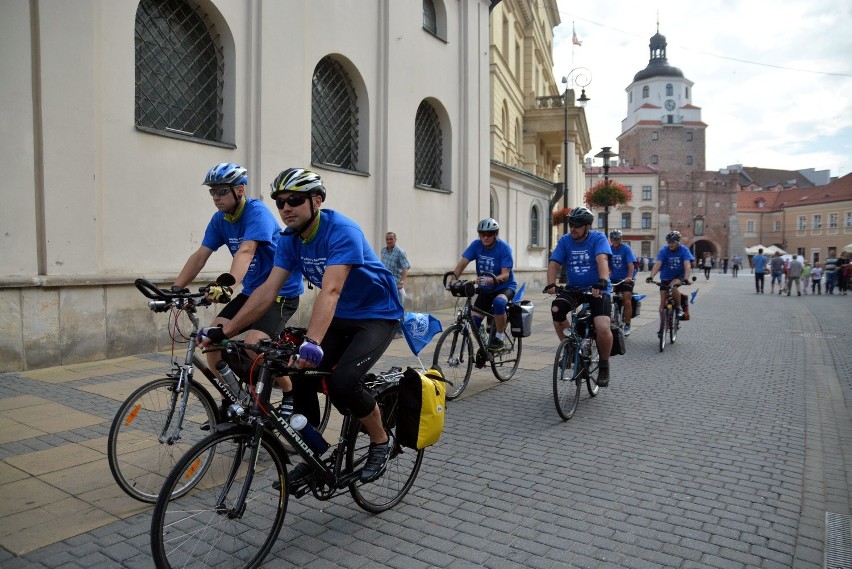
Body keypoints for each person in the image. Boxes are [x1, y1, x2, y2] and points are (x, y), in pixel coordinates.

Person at [199, 168, 403, 484]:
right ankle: (313, 452)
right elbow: (267, 291)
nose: (286, 208)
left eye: (294, 200)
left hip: (377, 315)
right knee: (302, 374)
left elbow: (331, 290)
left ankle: (380, 440)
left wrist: (314, 342)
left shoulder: (341, 231)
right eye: (280, 202)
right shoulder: (290, 240)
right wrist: (224, 330)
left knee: (343, 382)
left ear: (316, 200)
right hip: (341, 315)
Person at [174, 163, 303, 382]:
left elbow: (247, 250)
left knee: (255, 346)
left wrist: (228, 287)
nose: (216, 196)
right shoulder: (220, 219)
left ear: (240, 190)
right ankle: (230, 399)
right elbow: (200, 255)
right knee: (210, 338)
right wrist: (176, 289)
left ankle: (290, 395)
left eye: (222, 190)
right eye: (212, 191)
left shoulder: (257, 212)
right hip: (252, 291)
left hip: (280, 293)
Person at [543, 207, 614, 387]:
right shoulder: (566, 240)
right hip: (574, 289)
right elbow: (553, 263)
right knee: (556, 310)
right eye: (571, 225)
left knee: (603, 326)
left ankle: (604, 365)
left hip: (597, 289)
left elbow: (602, 259)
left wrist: (602, 281)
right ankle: (570, 349)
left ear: (587, 226)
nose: (572, 228)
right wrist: (551, 283)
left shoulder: (598, 238)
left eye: (577, 225)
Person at [449, 218, 517, 352]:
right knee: (473, 322)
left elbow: (505, 275)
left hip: (505, 287)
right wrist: (453, 280)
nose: (485, 237)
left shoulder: (504, 248)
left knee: (498, 303)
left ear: (495, 234)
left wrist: (492, 280)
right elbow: (462, 263)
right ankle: (485, 348)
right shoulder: (476, 245)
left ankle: (499, 338)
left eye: (489, 234)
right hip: (486, 289)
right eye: (482, 234)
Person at [646, 231, 694, 323]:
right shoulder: (663, 251)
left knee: (673, 286)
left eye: (673, 242)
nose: (670, 244)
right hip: (665, 277)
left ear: (678, 242)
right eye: (669, 242)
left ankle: (678, 307)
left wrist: (686, 279)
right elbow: (658, 264)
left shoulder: (684, 250)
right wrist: (651, 276)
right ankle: (662, 325)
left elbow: (687, 265)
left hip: (678, 276)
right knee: (662, 303)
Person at [607, 229, 638, 337]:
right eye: (613, 239)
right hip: (613, 278)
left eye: (617, 238)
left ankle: (627, 324)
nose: (615, 240)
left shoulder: (626, 249)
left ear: (621, 239)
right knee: (607, 297)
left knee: (626, 299)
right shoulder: (609, 249)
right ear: (610, 239)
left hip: (626, 279)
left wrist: (629, 277)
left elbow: (631, 265)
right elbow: (605, 263)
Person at [381, 231, 411, 338]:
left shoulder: (400, 252)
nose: (389, 241)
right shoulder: (383, 250)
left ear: (395, 240)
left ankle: (400, 331)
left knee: (398, 307)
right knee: (387, 306)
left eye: (391, 239)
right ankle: (389, 329)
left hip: (395, 284)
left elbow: (405, 267)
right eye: (387, 239)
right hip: (385, 283)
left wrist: (401, 282)